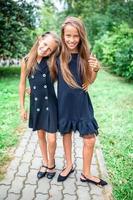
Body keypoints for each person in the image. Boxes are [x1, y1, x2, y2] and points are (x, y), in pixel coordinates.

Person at [57, 16, 107, 186]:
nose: (71, 40)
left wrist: (96, 70)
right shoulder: (59, 54)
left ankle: (86, 173)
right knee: (66, 134)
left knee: (90, 139)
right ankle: (69, 165)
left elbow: (89, 81)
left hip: (81, 102)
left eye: (75, 36)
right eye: (68, 35)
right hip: (64, 103)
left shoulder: (85, 55)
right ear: (63, 35)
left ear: (81, 36)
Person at [19, 32, 61, 179]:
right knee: (41, 135)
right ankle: (45, 162)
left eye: (49, 49)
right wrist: (22, 107)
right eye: (44, 44)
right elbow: (22, 84)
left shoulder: (52, 62)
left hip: (50, 103)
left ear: (53, 52)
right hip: (36, 103)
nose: (44, 49)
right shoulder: (26, 60)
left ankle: (52, 160)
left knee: (52, 139)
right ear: (39, 39)